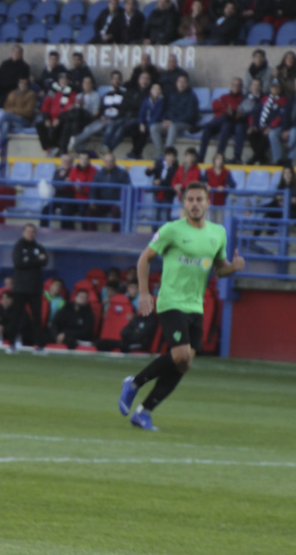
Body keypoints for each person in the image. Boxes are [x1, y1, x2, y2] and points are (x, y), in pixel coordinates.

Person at [119, 182, 245, 430]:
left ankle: (144, 412)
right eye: (190, 200)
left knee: (185, 364)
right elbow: (144, 258)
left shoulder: (218, 232)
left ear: (208, 203)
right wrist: (144, 293)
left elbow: (219, 269)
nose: (195, 204)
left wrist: (233, 267)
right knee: (181, 354)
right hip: (171, 302)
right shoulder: (171, 230)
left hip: (196, 305)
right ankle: (134, 382)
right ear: (184, 203)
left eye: (200, 199)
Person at [6, 224, 48, 354]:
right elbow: (18, 262)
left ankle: (38, 345)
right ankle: (11, 344)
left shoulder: (38, 247)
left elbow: (45, 261)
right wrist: (36, 260)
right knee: (16, 317)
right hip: (20, 288)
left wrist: (29, 260)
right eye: (28, 231)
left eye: (32, 232)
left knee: (37, 318)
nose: (30, 234)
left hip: (35, 288)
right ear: (23, 232)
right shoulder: (18, 247)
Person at [149, 75, 198, 158]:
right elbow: (165, 109)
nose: (181, 83)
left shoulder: (191, 97)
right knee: (154, 127)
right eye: (179, 81)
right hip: (170, 122)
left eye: (184, 82)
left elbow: (190, 115)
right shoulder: (171, 94)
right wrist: (164, 120)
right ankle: (160, 155)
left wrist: (173, 121)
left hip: (184, 124)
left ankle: (168, 155)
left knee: (173, 126)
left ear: (187, 84)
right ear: (176, 83)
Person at [199, 77, 246, 162]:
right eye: (234, 85)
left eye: (238, 85)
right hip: (217, 123)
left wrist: (228, 110)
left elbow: (236, 111)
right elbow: (215, 104)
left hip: (230, 123)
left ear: (241, 87)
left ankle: (219, 156)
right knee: (207, 130)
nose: (236, 87)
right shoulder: (225, 96)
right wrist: (225, 109)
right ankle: (201, 157)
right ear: (231, 86)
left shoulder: (243, 99)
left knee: (226, 123)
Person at [89, 152, 130, 231]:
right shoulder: (98, 174)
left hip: (116, 202)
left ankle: (115, 234)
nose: (109, 163)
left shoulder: (122, 173)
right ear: (104, 162)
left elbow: (128, 188)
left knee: (116, 211)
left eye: (111, 161)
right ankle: (92, 233)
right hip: (102, 202)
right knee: (90, 211)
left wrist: (122, 202)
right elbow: (93, 189)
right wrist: (93, 201)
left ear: (114, 161)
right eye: (107, 161)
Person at [148, 146, 179, 221]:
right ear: (165, 156)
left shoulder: (176, 168)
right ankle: (154, 232)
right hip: (157, 191)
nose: (171, 158)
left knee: (165, 215)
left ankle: (166, 232)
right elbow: (148, 173)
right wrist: (150, 169)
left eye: (173, 156)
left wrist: (160, 182)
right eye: (169, 155)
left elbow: (172, 180)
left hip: (168, 194)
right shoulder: (159, 163)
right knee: (155, 213)